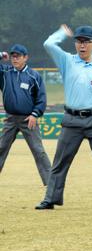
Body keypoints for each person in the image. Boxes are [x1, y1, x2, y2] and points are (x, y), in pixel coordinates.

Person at [35, 25, 92, 213]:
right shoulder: (67, 61)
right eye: (78, 41)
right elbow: (48, 44)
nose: (82, 45)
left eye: (86, 41)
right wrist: (62, 33)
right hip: (71, 120)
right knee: (60, 161)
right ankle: (50, 198)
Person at [0, 44, 51, 186]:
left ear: (25, 58)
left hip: (28, 119)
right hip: (10, 119)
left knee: (38, 150)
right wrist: (1, 55)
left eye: (18, 56)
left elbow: (41, 99)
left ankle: (51, 183)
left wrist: (35, 114)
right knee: (1, 148)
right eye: (12, 56)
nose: (14, 59)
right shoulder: (4, 73)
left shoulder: (33, 76)